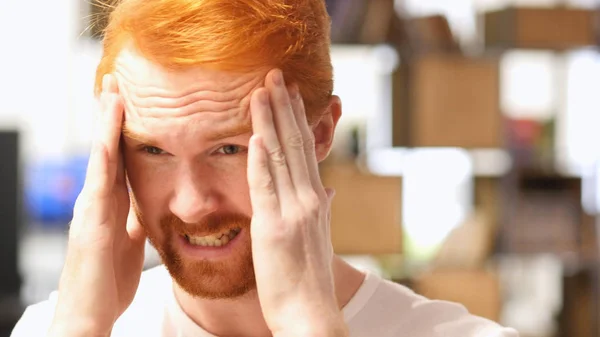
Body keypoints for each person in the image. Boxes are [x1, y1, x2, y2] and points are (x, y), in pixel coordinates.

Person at [12, 1, 520, 336]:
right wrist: (81, 325)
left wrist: (308, 324)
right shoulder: (56, 328)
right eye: (154, 151)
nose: (191, 204)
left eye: (228, 150)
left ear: (319, 134)